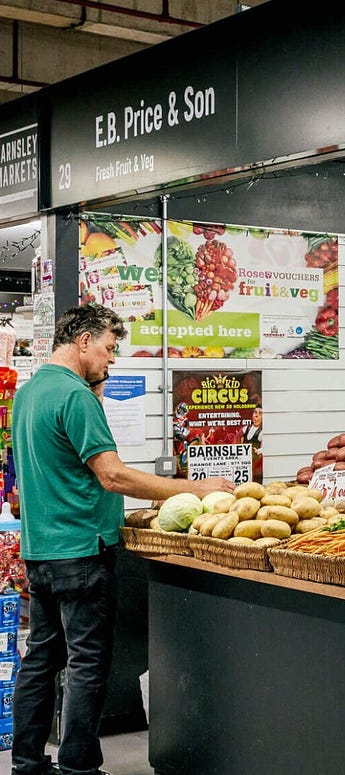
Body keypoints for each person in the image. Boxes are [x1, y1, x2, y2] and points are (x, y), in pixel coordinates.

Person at [11, 304, 232, 775]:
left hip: (40, 552)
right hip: (82, 552)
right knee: (88, 663)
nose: (112, 360)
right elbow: (112, 476)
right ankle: (79, 768)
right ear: (83, 340)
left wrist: (97, 389)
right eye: (109, 349)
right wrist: (196, 488)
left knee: (40, 659)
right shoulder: (75, 396)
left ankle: (28, 764)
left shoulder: (29, 393)